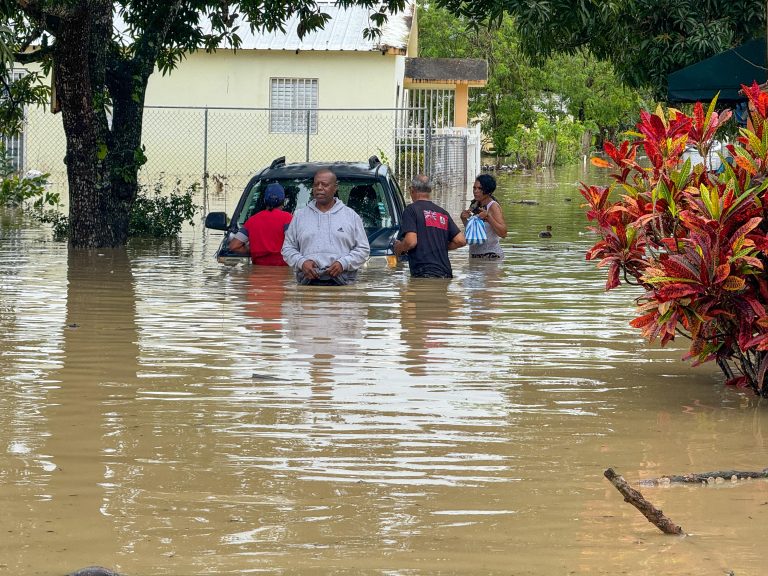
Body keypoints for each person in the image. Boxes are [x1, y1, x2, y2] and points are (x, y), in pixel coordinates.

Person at [281, 167, 370, 285]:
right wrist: (301, 262)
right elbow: (287, 249)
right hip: (307, 286)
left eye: (324, 184)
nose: (319, 188)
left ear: (335, 188)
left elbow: (363, 250)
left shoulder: (351, 216)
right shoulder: (299, 216)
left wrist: (343, 263)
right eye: (316, 184)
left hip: (342, 287)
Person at [393, 174, 466, 278]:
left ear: (412, 190)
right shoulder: (443, 213)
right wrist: (438, 246)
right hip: (445, 273)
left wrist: (399, 247)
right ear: (430, 190)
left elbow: (411, 242)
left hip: (424, 273)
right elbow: (461, 241)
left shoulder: (411, 210)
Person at [228, 182, 292, 266]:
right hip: (283, 272)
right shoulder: (288, 218)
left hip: (257, 273)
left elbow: (234, 246)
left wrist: (251, 250)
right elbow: (296, 243)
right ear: (283, 201)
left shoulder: (252, 221)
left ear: (264, 200)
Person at [460, 174, 508, 259]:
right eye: (474, 188)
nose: (475, 191)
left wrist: (488, 218)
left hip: (491, 256)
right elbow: (474, 233)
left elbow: (503, 233)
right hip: (475, 257)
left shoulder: (493, 206)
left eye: (479, 188)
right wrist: (464, 219)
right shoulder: (475, 205)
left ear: (488, 190)